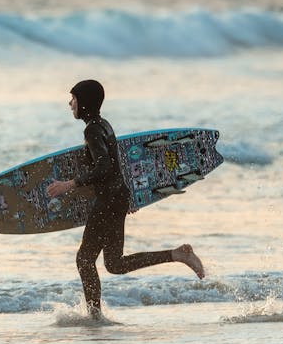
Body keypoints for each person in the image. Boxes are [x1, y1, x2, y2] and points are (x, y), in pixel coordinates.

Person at [46, 79, 205, 318]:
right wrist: (126, 197)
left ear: (85, 102)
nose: (70, 104)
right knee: (114, 264)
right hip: (116, 197)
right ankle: (177, 254)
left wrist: (68, 185)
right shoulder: (104, 125)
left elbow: (105, 167)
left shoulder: (92, 130)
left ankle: (94, 315)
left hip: (110, 200)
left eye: (74, 99)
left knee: (84, 259)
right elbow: (117, 164)